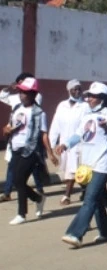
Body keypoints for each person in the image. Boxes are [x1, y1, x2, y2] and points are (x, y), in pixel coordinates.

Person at [58, 82, 107, 247]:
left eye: (92, 96)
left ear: (102, 99)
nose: (89, 99)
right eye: (89, 96)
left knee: (90, 198)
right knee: (97, 199)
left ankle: (75, 233)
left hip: (102, 164)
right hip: (86, 164)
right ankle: (106, 231)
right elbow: (78, 134)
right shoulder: (86, 116)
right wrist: (65, 144)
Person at [3, 78, 57, 225]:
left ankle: (22, 214)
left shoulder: (39, 113)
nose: (21, 94)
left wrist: (50, 153)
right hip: (15, 148)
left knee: (19, 179)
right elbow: (9, 125)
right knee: (15, 180)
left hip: (31, 150)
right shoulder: (17, 109)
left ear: (33, 94)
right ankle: (38, 198)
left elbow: (44, 134)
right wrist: (6, 130)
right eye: (20, 91)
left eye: (25, 92)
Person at [0, 72, 46, 202]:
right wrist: (9, 88)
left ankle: (39, 190)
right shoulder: (15, 97)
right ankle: (8, 192)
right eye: (20, 83)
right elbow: (2, 96)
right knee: (13, 170)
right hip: (15, 139)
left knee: (34, 169)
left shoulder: (35, 97)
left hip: (30, 139)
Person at [49, 79, 87, 205]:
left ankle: (67, 196)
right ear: (69, 90)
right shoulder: (62, 106)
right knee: (70, 170)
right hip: (63, 144)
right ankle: (86, 191)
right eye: (74, 89)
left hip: (79, 144)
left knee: (74, 171)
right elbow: (56, 125)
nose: (77, 91)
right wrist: (51, 144)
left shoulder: (85, 106)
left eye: (79, 89)